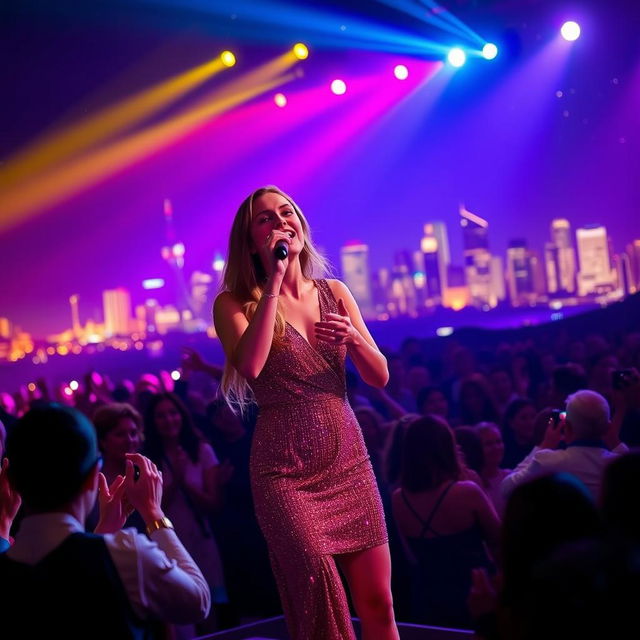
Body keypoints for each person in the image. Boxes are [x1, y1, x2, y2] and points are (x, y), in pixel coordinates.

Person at [213, 186, 398, 640]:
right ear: (251, 240)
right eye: (265, 219)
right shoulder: (234, 304)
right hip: (285, 473)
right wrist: (273, 284)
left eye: (286, 212)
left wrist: (354, 338)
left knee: (378, 602)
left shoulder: (334, 292)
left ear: (300, 224)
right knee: (318, 596)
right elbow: (251, 365)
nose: (279, 223)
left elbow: (380, 377)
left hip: (347, 460)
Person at [0, 403, 210, 637]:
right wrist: (153, 512)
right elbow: (198, 602)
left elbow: (64, 569)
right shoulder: (127, 554)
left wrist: (104, 530)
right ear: (92, 476)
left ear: (13, 481)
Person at [391, 416, 499, 628]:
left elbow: (411, 555)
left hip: (427, 594)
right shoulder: (466, 491)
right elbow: (499, 540)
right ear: (447, 448)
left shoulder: (398, 498)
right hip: (474, 590)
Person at [143, 392, 227, 636]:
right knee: (179, 618)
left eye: (173, 413)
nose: (169, 420)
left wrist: (183, 481)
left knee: (208, 609)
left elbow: (213, 504)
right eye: (161, 416)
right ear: (152, 422)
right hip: (166, 542)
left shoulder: (202, 451)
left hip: (201, 538)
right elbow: (153, 508)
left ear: (182, 415)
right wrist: (176, 479)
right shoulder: (149, 459)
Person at [501, 390, 628, 500]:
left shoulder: (548, 461)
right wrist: (614, 441)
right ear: (608, 427)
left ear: (567, 427)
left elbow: (506, 488)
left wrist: (544, 445)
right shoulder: (619, 465)